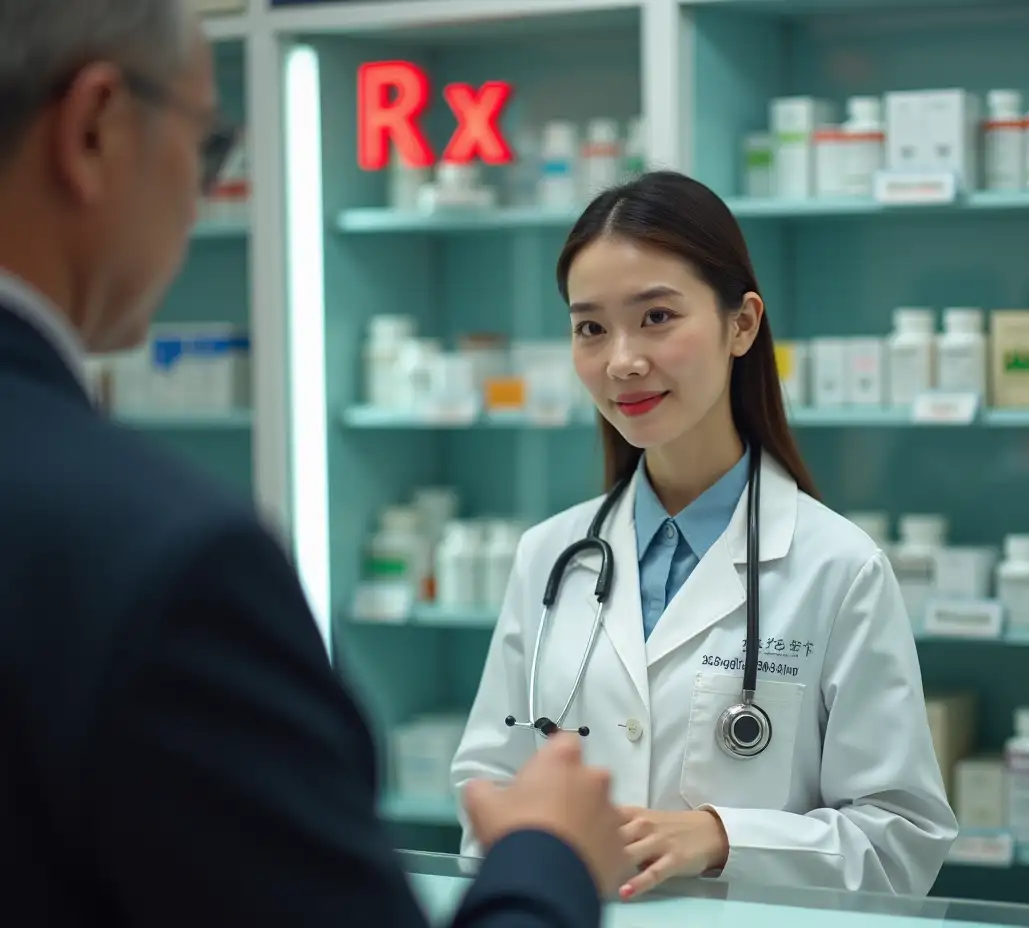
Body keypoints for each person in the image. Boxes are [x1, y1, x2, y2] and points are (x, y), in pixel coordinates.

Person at [0, 2, 629, 925]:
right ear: (94, 129)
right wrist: (550, 860)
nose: (204, 192)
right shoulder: (169, 562)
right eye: (209, 146)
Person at [451, 170, 960, 900]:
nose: (622, 359)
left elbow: (901, 837)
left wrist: (726, 837)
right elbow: (489, 786)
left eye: (656, 317)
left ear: (742, 324)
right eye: (591, 327)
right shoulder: (548, 558)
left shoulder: (838, 567)